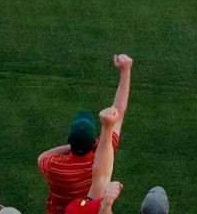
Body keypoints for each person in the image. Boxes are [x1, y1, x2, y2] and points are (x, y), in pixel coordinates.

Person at [38, 54, 134, 214]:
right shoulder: (103, 154)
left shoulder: (54, 165)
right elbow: (119, 113)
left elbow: (42, 157)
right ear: (93, 142)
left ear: (69, 139)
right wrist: (125, 71)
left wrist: (70, 146)